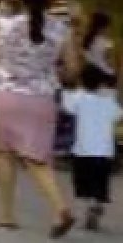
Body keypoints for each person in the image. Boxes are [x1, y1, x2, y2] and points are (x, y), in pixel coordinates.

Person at [0, 0, 81, 236]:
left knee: (1, 153)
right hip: (42, 98)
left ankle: (7, 213)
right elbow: (73, 69)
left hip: (4, 95)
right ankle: (59, 208)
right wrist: (46, 73)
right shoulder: (62, 30)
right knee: (37, 158)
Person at [64, 65, 123, 231]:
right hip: (104, 152)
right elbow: (119, 115)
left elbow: (67, 107)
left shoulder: (78, 97)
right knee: (100, 182)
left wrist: (73, 86)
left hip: (82, 150)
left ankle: (89, 205)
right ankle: (97, 204)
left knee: (83, 182)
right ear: (101, 83)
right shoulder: (108, 101)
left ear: (82, 81)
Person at [83, 11, 117, 85]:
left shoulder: (87, 40)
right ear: (103, 27)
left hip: (89, 75)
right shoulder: (107, 43)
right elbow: (110, 62)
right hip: (106, 76)